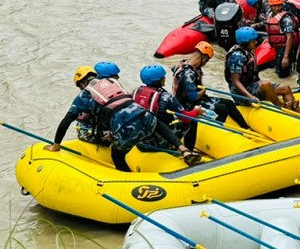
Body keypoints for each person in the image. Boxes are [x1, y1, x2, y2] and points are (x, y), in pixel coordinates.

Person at [48, 62, 198, 172]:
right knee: (157, 124)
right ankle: (184, 149)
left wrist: (56, 145)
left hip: (126, 128)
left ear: (80, 84)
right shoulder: (112, 81)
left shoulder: (83, 95)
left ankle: (128, 178)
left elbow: (65, 123)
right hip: (145, 116)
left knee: (117, 155)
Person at [172, 42, 251, 131]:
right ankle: (220, 131)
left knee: (229, 103)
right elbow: (193, 97)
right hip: (189, 105)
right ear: (204, 59)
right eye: (207, 60)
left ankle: (246, 128)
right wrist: (203, 92)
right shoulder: (188, 73)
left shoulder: (184, 63)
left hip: (198, 99)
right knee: (223, 109)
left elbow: (173, 69)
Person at [226, 26, 299, 109]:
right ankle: (282, 108)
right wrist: (249, 96)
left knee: (285, 88)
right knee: (265, 84)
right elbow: (235, 81)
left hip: (251, 85)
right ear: (246, 42)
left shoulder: (249, 52)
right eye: (253, 41)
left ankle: (298, 114)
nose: (256, 42)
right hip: (241, 94)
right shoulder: (237, 57)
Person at [134, 65, 200, 150]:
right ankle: (189, 151)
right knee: (192, 122)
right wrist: (196, 110)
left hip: (139, 138)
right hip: (158, 140)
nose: (165, 78)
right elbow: (186, 118)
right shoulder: (166, 97)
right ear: (157, 81)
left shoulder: (136, 92)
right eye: (162, 77)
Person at [264, 0, 300, 78]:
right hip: (276, 47)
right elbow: (271, 28)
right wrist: (268, 38)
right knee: (276, 69)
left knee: (283, 75)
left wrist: (286, 57)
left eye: (279, 5)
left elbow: (290, 38)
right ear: (271, 6)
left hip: (285, 48)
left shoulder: (286, 19)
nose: (277, 8)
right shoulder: (269, 14)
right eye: (275, 6)